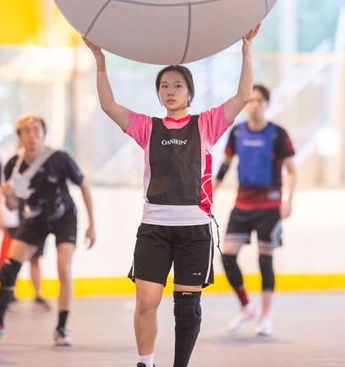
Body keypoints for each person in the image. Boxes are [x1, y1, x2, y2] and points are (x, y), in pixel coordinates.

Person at [83, 23, 261, 367]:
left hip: (194, 230)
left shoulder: (207, 123)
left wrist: (246, 51)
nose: (170, 91)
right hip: (155, 228)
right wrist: (100, 62)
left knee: (187, 308)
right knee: (146, 302)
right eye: (164, 86)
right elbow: (109, 106)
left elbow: (242, 97)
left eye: (177, 85)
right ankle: (145, 362)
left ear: (189, 92)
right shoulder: (146, 127)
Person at [0, 113, 95, 346]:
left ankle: (61, 329)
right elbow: (12, 205)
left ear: (44, 134)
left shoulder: (59, 158)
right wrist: (7, 196)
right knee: (8, 269)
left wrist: (92, 224)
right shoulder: (14, 165)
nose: (32, 136)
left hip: (64, 217)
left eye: (37, 130)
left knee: (64, 269)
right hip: (35, 218)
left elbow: (84, 185)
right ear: (19, 136)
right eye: (26, 131)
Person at [214, 83, 295, 336]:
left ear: (267, 104)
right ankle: (246, 306)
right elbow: (225, 166)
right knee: (227, 257)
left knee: (265, 260)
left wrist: (288, 200)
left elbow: (292, 170)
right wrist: (209, 191)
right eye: (251, 100)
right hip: (242, 205)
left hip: (269, 206)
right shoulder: (237, 132)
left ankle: (266, 316)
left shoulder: (278, 134)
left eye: (260, 100)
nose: (255, 105)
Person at [0, 145, 50, 313]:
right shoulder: (5, 156)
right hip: (12, 218)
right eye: (25, 132)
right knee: (12, 259)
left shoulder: (44, 155)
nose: (31, 136)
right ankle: (11, 295)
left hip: (34, 216)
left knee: (35, 257)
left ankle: (38, 296)